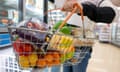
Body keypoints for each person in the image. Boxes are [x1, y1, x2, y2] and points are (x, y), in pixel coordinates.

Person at [42, 0, 119, 72]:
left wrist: (85, 9)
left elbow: (113, 14)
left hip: (81, 44)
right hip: (66, 43)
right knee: (66, 69)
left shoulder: (99, 1)